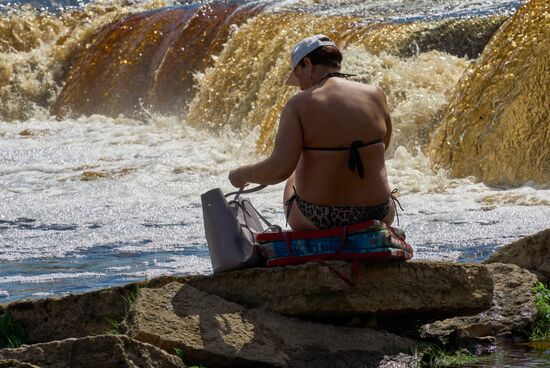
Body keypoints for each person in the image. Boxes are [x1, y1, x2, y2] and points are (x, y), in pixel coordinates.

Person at [228, 34, 396, 230]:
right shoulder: (376, 94)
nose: (300, 86)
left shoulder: (298, 105)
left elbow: (279, 170)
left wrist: (242, 174)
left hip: (320, 218)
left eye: (298, 75)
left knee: (296, 172)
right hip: (379, 212)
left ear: (307, 63)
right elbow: (384, 145)